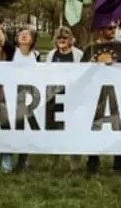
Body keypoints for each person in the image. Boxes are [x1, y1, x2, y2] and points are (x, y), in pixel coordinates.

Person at [83, 21, 121, 176]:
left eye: (114, 27)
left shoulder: (120, 47)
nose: (113, 30)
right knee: (94, 129)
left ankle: (119, 164)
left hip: (116, 94)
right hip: (95, 95)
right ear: (101, 30)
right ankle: (93, 162)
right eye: (110, 28)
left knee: (118, 129)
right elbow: (80, 73)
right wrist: (89, 66)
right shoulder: (90, 49)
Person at [2, 26, 39, 173]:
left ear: (32, 39)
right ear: (17, 39)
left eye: (27, 34)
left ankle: (23, 161)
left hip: (29, 98)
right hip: (12, 95)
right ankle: (6, 160)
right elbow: (1, 38)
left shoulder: (37, 56)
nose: (23, 36)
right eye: (21, 34)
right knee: (9, 127)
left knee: (26, 130)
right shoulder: (12, 52)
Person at [46, 26, 83, 171]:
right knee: (56, 130)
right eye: (59, 38)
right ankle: (56, 161)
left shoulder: (78, 55)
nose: (62, 41)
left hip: (73, 98)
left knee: (74, 130)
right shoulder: (51, 55)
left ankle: (75, 164)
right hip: (55, 97)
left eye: (65, 38)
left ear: (70, 40)